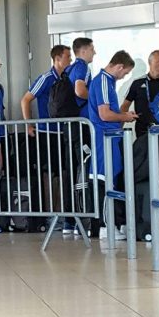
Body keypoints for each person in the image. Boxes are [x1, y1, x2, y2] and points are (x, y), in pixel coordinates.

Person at [88, 50, 138, 240]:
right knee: (104, 179)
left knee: (114, 178)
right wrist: (124, 116)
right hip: (104, 137)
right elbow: (104, 114)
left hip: (113, 137)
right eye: (124, 73)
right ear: (119, 67)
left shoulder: (108, 82)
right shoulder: (102, 82)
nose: (124, 76)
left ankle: (115, 222)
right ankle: (104, 225)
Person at [20, 45, 72, 225]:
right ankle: (50, 214)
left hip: (62, 132)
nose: (70, 60)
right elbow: (26, 99)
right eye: (67, 57)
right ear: (58, 59)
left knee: (63, 172)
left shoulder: (67, 79)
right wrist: (29, 124)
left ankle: (62, 213)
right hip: (47, 132)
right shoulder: (46, 78)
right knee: (49, 174)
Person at [62, 38, 96, 234]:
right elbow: (79, 90)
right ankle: (86, 218)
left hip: (69, 126)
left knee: (71, 171)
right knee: (85, 168)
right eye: (92, 49)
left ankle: (71, 220)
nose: (94, 52)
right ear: (83, 51)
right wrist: (96, 98)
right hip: (81, 127)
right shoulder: (82, 67)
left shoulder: (68, 69)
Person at [121, 50, 159, 137]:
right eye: (158, 62)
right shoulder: (137, 82)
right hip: (143, 130)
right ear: (150, 63)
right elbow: (125, 106)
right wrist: (119, 126)